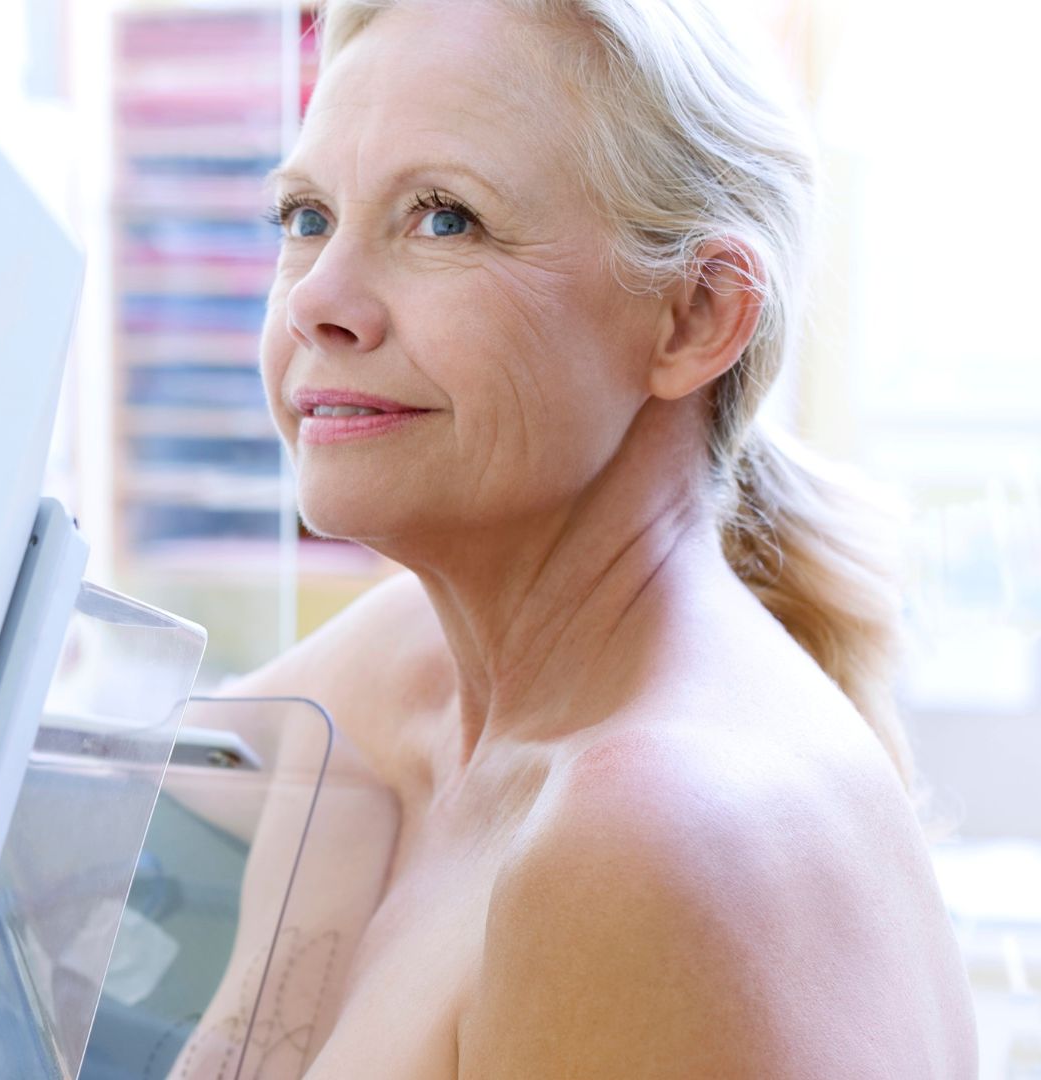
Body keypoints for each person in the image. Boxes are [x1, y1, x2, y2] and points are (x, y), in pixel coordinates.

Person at [176, 0, 978, 1075]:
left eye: (444, 217)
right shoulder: (405, 670)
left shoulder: (646, 842)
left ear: (696, 317)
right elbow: (36, 784)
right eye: (307, 216)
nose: (319, 300)